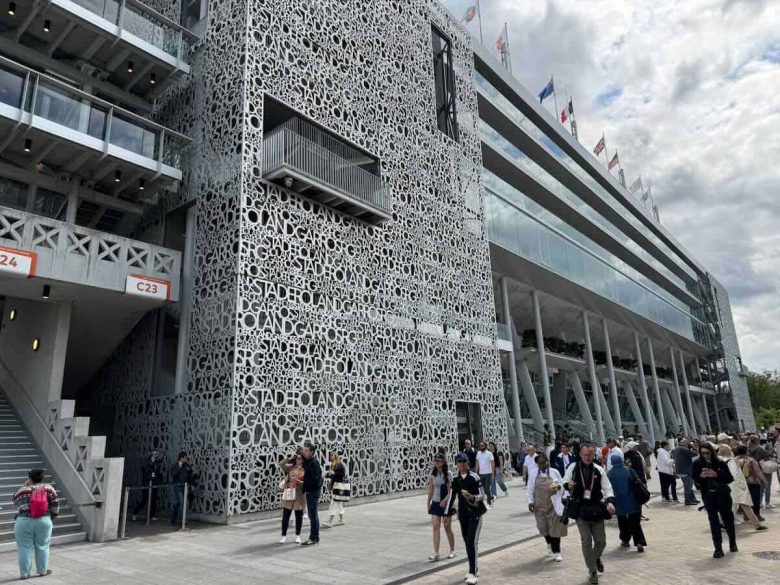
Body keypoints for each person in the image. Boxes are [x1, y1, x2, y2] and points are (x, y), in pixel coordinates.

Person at [563, 443, 616, 585]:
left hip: (596, 508)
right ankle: (592, 571)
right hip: (580, 509)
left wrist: (610, 502)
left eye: (590, 455)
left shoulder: (599, 470)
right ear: (580, 454)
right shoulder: (573, 468)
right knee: (586, 541)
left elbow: (608, 488)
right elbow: (564, 481)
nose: (587, 457)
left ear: (594, 455)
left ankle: (596, 558)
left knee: (601, 541)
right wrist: (568, 485)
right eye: (585, 454)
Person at [12, 469, 59, 579]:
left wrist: (25, 486)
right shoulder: (49, 489)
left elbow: (14, 500)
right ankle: (42, 571)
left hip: (24, 521)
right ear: (42, 478)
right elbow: (55, 505)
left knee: (24, 547)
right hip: (44, 520)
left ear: (29, 478)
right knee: (43, 546)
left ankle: (24, 574)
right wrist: (52, 517)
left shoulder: (23, 490)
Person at [693, 442, 736, 558]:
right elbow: (695, 479)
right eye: (702, 453)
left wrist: (716, 474)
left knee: (728, 520)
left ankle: (732, 543)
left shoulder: (720, 462)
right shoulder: (697, 463)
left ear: (712, 452)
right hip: (708, 496)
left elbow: (729, 478)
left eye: (707, 453)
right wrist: (700, 477)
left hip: (723, 495)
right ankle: (718, 548)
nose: (705, 455)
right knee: (713, 522)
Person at [451, 453, 487, 585]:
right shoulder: (456, 480)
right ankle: (473, 568)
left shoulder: (474, 477)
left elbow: (483, 495)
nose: (461, 464)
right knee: (467, 542)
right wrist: (448, 509)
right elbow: (452, 496)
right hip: (463, 515)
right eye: (459, 462)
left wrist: (473, 497)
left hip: (475, 513)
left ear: (468, 463)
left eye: (464, 461)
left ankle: (473, 572)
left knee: (472, 541)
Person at [717, 445, 767, 532]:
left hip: (730, 487)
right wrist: (742, 485)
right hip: (737, 488)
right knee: (738, 506)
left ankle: (757, 525)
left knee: (742, 506)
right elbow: (735, 474)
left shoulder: (721, 461)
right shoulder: (731, 461)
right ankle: (724, 524)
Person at [527, 453, 567, 562]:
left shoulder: (555, 472)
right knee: (543, 528)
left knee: (555, 529)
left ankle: (557, 551)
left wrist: (559, 487)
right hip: (539, 505)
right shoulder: (533, 473)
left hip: (553, 504)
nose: (543, 465)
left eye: (545, 463)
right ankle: (549, 542)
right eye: (540, 464)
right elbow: (530, 489)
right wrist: (530, 502)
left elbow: (563, 485)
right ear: (537, 464)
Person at [607, 454, 647, 553]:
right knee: (635, 523)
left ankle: (625, 540)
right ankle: (639, 542)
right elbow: (638, 483)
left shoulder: (609, 474)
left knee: (622, 522)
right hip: (633, 501)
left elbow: (607, 489)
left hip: (619, 503)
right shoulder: (629, 470)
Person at [427, 453, 456, 561]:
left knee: (447, 526)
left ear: (443, 462)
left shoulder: (448, 474)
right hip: (435, 502)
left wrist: (445, 500)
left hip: (446, 503)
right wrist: (428, 502)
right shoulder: (432, 473)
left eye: (439, 460)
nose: (436, 462)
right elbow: (431, 489)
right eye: (435, 460)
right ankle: (436, 553)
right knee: (435, 526)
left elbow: (451, 491)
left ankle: (452, 549)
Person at [733, 445, 767, 521]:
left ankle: (746, 516)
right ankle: (757, 515)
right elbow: (758, 472)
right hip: (753, 482)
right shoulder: (751, 460)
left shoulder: (734, 460)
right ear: (746, 451)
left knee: (744, 500)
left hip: (740, 483)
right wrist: (764, 481)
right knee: (755, 499)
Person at [279, 453, 306, 543]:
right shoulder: (291, 467)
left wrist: (300, 482)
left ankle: (298, 535)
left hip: (299, 494)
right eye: (297, 458)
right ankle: (283, 536)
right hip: (289, 493)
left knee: (299, 516)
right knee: (286, 516)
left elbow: (307, 482)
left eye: (300, 458)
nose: (298, 460)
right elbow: (281, 464)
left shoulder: (305, 469)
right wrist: (289, 458)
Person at [131, 450, 163, 522]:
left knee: (153, 500)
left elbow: (158, 470)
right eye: (154, 453)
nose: (156, 455)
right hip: (147, 483)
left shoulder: (157, 462)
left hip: (154, 483)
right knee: (144, 500)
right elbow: (145, 470)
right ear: (151, 454)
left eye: (157, 454)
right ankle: (134, 513)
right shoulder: (146, 461)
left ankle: (152, 515)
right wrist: (152, 462)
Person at [301, 442, 323, 546]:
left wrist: (310, 488)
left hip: (313, 492)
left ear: (311, 452)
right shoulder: (308, 461)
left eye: (306, 451)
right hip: (311, 491)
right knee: (313, 515)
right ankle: (315, 537)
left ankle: (313, 538)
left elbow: (317, 478)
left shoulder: (314, 462)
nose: (304, 452)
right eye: (303, 450)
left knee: (312, 515)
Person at [170, 451, 192, 526]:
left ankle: (174, 519)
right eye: (184, 458)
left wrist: (190, 484)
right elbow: (173, 474)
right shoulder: (175, 465)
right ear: (181, 458)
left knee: (179, 503)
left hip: (185, 487)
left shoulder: (187, 466)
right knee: (182, 503)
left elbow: (189, 476)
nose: (185, 459)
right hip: (178, 486)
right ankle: (181, 520)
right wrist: (179, 467)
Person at [673, 439, 699, 505]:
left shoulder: (676, 449)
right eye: (687, 444)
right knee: (688, 486)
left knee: (688, 486)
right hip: (686, 471)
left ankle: (693, 499)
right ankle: (687, 501)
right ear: (685, 444)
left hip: (680, 470)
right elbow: (695, 454)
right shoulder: (684, 449)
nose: (688, 445)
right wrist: (693, 447)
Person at [325, 451, 347, 527]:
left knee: (334, 502)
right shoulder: (333, 464)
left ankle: (330, 521)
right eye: (330, 455)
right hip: (336, 485)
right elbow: (333, 476)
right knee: (338, 503)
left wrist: (334, 473)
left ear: (335, 456)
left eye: (332, 455)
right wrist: (329, 475)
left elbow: (342, 474)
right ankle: (341, 519)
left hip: (339, 486)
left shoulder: (339, 464)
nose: (330, 456)